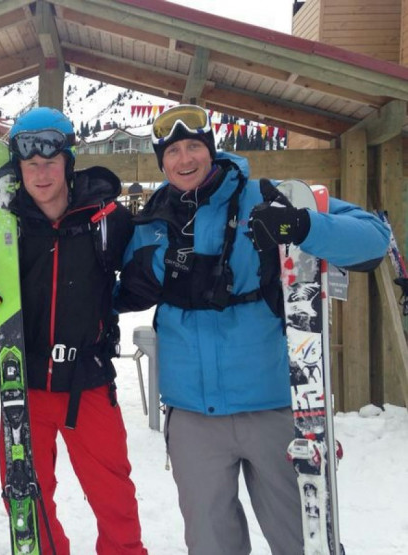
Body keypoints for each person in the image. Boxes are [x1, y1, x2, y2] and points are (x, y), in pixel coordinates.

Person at [116, 103, 390, 555]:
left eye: (193, 147)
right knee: (210, 545)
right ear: (161, 161)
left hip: (272, 407)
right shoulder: (151, 222)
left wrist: (303, 226)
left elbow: (374, 238)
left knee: (302, 539)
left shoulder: (265, 197)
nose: (185, 159)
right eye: (173, 151)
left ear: (211, 149)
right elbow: (112, 291)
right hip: (192, 416)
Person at [1, 106, 147, 555]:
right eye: (30, 164)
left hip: (89, 381)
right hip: (24, 384)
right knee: (26, 497)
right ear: (18, 168)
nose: (41, 173)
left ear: (69, 162)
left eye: (51, 162)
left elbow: (143, 277)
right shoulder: (4, 223)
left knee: (113, 496)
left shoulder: (109, 219)